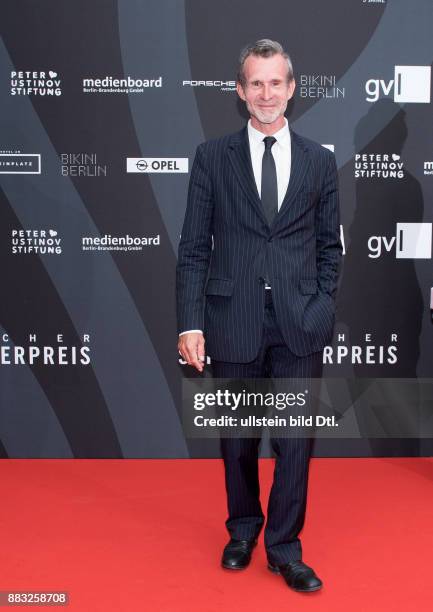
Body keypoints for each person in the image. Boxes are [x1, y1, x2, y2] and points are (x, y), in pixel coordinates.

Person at [176, 39, 342, 593]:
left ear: (292, 88)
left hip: (300, 322)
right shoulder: (211, 157)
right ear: (241, 92)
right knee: (238, 439)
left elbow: (330, 249)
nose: (267, 94)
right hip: (232, 319)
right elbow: (195, 247)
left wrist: (319, 310)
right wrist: (190, 323)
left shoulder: (320, 161)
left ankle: (285, 547)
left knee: (295, 442)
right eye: (256, 83)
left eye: (277, 82)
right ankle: (243, 529)